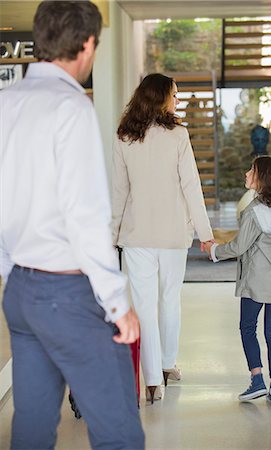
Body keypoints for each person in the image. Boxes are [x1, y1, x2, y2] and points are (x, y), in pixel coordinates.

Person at [0, 2, 145, 449]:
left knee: (32, 428)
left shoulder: (5, 103)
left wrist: (10, 274)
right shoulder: (70, 107)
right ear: (86, 44)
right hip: (68, 295)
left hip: (21, 294)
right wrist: (118, 302)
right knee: (119, 432)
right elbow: (85, 217)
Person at [111, 73, 214, 403]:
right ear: (160, 98)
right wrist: (206, 234)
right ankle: (167, 365)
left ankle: (152, 381)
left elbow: (118, 193)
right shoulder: (179, 136)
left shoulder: (124, 136)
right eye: (174, 94)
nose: (177, 100)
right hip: (172, 235)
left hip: (136, 235)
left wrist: (110, 236)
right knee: (170, 299)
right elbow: (191, 189)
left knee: (144, 308)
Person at [205, 155, 271, 407]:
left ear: (263, 178)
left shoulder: (254, 212)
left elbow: (238, 246)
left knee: (248, 328)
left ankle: (257, 380)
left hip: (256, 282)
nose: (246, 173)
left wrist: (214, 251)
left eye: (252, 171)